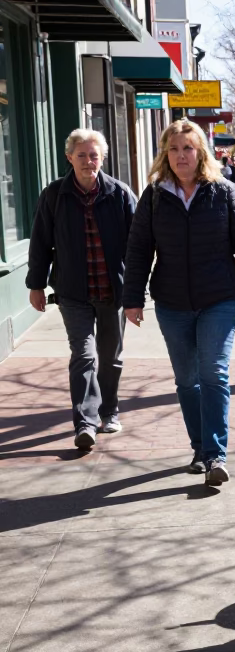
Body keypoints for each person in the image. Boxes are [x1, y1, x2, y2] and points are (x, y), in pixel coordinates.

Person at [122, 120, 235, 487]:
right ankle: (199, 449)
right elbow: (138, 250)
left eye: (188, 148)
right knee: (187, 379)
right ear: (164, 155)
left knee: (212, 372)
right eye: (173, 149)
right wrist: (132, 298)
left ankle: (216, 453)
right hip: (171, 302)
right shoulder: (154, 196)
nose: (181, 155)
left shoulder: (224, 192)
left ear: (200, 152)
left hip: (219, 297)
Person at [25, 129, 137, 450]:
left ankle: (109, 410)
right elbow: (40, 243)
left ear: (102, 158)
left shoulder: (120, 194)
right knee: (83, 355)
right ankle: (85, 423)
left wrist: (136, 288)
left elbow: (138, 245)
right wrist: (36, 284)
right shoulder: (54, 195)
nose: (89, 162)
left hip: (112, 291)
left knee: (110, 356)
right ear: (69, 157)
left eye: (94, 155)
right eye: (82, 155)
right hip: (73, 292)